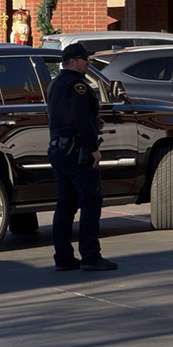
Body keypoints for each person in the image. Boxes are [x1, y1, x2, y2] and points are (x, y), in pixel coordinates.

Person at [48, 42, 116, 271]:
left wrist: (95, 122)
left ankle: (64, 258)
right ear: (74, 61)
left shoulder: (55, 84)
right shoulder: (79, 86)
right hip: (77, 152)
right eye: (85, 60)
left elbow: (65, 116)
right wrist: (93, 148)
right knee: (91, 201)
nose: (88, 63)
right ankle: (90, 255)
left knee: (65, 204)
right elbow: (78, 119)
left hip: (58, 149)